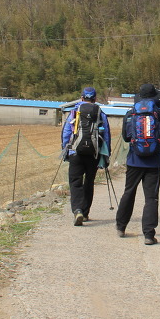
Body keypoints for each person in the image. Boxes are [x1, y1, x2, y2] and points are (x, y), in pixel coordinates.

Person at [116, 83, 160, 245]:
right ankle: (148, 234)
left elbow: (126, 137)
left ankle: (121, 227)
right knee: (151, 198)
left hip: (134, 161)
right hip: (154, 162)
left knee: (129, 192)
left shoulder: (130, 114)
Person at [61, 86, 111, 226]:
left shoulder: (74, 112)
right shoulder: (100, 113)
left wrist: (65, 149)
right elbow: (106, 136)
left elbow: (66, 132)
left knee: (75, 182)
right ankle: (85, 212)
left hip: (76, 152)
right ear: (95, 99)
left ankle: (77, 210)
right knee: (89, 182)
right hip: (93, 154)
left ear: (82, 97)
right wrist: (107, 155)